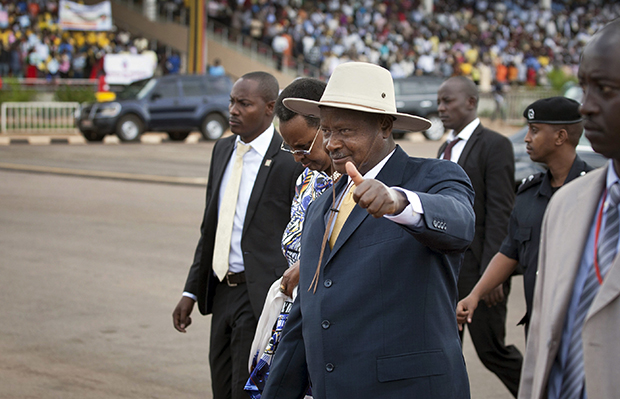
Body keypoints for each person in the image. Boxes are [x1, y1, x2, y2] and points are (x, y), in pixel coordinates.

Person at [262, 62, 476, 399]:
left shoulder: (433, 178)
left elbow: (460, 223)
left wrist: (398, 202)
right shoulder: (321, 209)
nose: (331, 143)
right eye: (327, 131)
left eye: (345, 130)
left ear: (385, 126)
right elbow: (303, 322)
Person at [172, 71, 304, 399]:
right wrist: (190, 292)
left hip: (257, 292)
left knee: (243, 391)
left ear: (269, 108)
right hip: (220, 291)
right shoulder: (222, 150)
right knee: (220, 385)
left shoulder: (290, 159)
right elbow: (211, 228)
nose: (233, 110)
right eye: (232, 101)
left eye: (244, 104)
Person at [519, 19, 620, 399]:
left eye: (606, 89)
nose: (586, 106)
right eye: (585, 86)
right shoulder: (567, 204)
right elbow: (543, 345)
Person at [457, 96, 592, 338]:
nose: (527, 138)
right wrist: (475, 295)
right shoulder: (530, 193)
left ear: (560, 137)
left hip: (582, 328)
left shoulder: (594, 192)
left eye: (535, 130)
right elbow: (510, 251)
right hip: (538, 326)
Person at [245, 77, 331, 398]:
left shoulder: (356, 184)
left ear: (329, 126)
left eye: (302, 146)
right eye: (289, 147)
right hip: (297, 310)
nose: (297, 156)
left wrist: (309, 265)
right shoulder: (308, 177)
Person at [437, 76, 522, 397]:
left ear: (471, 103)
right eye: (439, 102)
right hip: (445, 268)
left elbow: (502, 212)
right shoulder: (444, 147)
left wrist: (492, 276)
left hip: (481, 271)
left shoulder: (494, 145)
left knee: (491, 351)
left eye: (448, 101)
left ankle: (540, 390)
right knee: (444, 351)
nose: (441, 108)